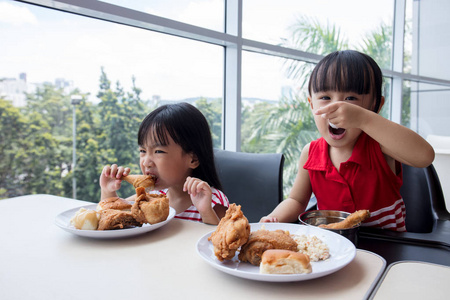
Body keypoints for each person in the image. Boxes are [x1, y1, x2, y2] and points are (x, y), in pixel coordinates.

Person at [260, 50, 435, 231]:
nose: (338, 108)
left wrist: (364, 119)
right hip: (332, 249)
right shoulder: (310, 153)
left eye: (351, 99)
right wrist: (274, 218)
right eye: (325, 98)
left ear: (375, 106)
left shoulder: (380, 145)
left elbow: (424, 156)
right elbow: (296, 200)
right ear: (312, 105)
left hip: (387, 248)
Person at [99, 102, 229, 225]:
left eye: (158, 151)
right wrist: (108, 191)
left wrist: (206, 211)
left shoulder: (210, 199)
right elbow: (110, 216)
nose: (146, 162)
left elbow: (223, 242)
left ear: (193, 159)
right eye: (143, 151)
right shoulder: (152, 197)